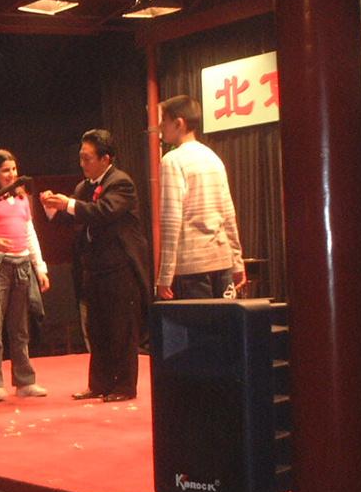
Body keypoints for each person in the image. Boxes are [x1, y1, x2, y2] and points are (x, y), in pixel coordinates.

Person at [41, 129, 151, 402]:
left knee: (121, 329)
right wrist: (52, 207)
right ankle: (99, 384)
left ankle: (124, 387)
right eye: (81, 157)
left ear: (105, 158)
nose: (82, 163)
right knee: (97, 328)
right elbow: (74, 218)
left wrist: (68, 204)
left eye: (87, 158)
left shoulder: (121, 183)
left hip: (120, 267)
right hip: (94, 267)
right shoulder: (84, 187)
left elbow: (103, 212)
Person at [0, 149, 51, 402]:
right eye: (5, 170)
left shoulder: (22, 198)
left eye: (14, 169)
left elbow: (30, 235)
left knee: (20, 328)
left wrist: (40, 268)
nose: (12, 174)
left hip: (22, 265)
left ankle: (25, 381)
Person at [155, 95, 246, 300]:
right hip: (222, 262)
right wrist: (237, 262)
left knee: (198, 321)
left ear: (179, 123)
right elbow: (228, 215)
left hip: (191, 266)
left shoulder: (172, 160)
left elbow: (171, 220)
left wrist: (165, 275)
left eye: (164, 121)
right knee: (224, 321)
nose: (160, 126)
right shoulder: (213, 158)